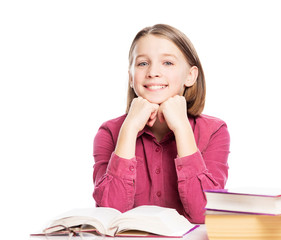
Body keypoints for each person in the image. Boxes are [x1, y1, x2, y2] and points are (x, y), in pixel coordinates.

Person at [92, 24, 230, 224]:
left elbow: (205, 214)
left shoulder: (215, 131)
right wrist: (129, 129)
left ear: (190, 76)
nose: (153, 72)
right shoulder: (109, 132)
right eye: (142, 64)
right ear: (131, 77)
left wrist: (182, 128)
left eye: (167, 62)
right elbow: (109, 216)